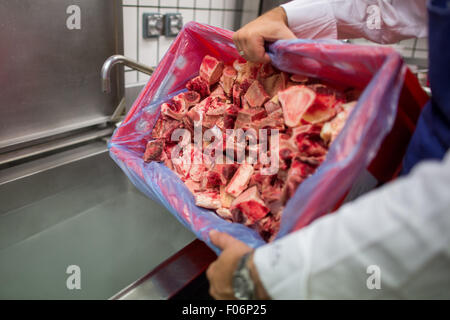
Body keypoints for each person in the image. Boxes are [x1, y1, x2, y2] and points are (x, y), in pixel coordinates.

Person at [206, 0, 450, 299]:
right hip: (421, 159)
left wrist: (267, 276)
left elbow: (438, 215)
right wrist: (284, 15)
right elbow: (393, 6)